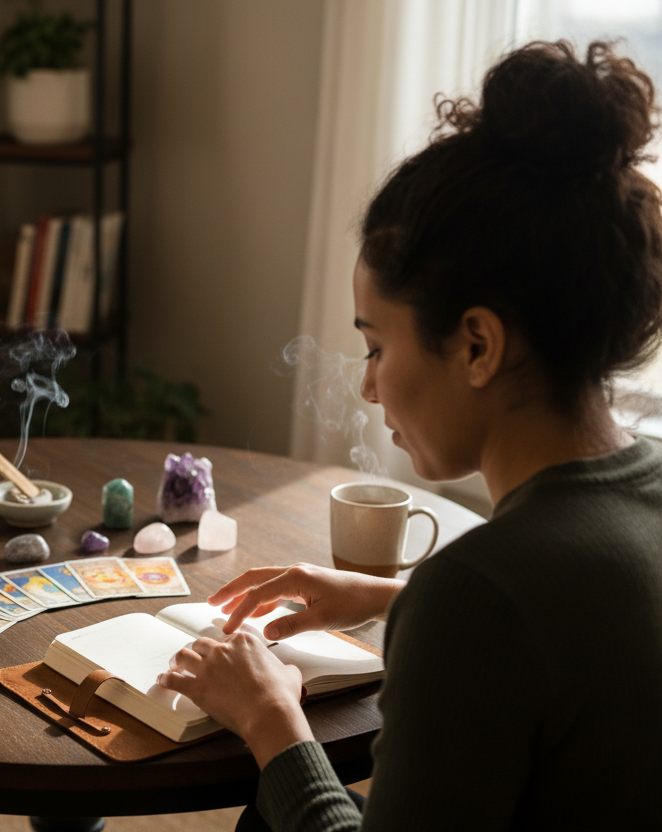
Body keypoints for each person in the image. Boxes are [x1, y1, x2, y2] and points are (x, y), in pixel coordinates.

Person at [158, 40, 662, 831]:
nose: (367, 384)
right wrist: (396, 599)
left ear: (477, 346)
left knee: (272, 809)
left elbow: (506, 616)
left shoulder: (479, 593)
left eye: (377, 346)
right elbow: (577, 649)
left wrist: (270, 721)